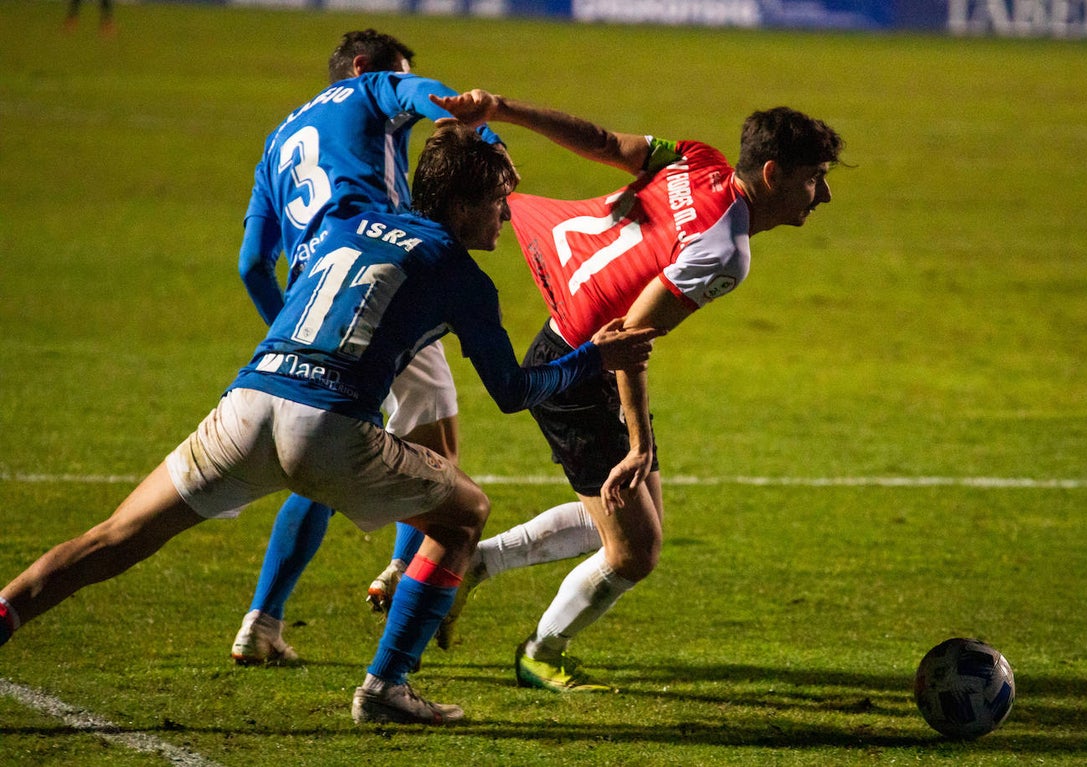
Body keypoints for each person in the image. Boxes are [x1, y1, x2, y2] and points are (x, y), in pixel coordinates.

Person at [0, 121, 656, 726]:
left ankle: (8, 608)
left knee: (116, 536)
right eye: (497, 200)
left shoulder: (351, 223)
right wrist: (593, 358)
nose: (507, 214)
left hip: (248, 402)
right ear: (460, 205)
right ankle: (386, 687)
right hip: (327, 426)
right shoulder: (463, 276)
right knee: (464, 513)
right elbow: (513, 391)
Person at [426, 88, 844, 691]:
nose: (824, 195)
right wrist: (639, 443)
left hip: (584, 355)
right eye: (814, 179)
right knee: (634, 553)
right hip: (576, 370)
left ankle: (474, 563)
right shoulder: (724, 252)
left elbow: (603, 143)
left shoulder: (698, 159)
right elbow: (629, 337)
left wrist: (503, 108)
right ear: (774, 174)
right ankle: (541, 654)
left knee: (634, 519)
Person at [230, 29, 531, 666]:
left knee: (321, 459)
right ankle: (401, 586)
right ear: (365, 68)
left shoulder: (278, 141)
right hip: (383, 280)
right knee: (436, 458)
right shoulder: (366, 93)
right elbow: (425, 96)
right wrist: (468, 121)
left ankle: (263, 619)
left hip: (313, 307)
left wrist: (293, 335)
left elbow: (253, 263)